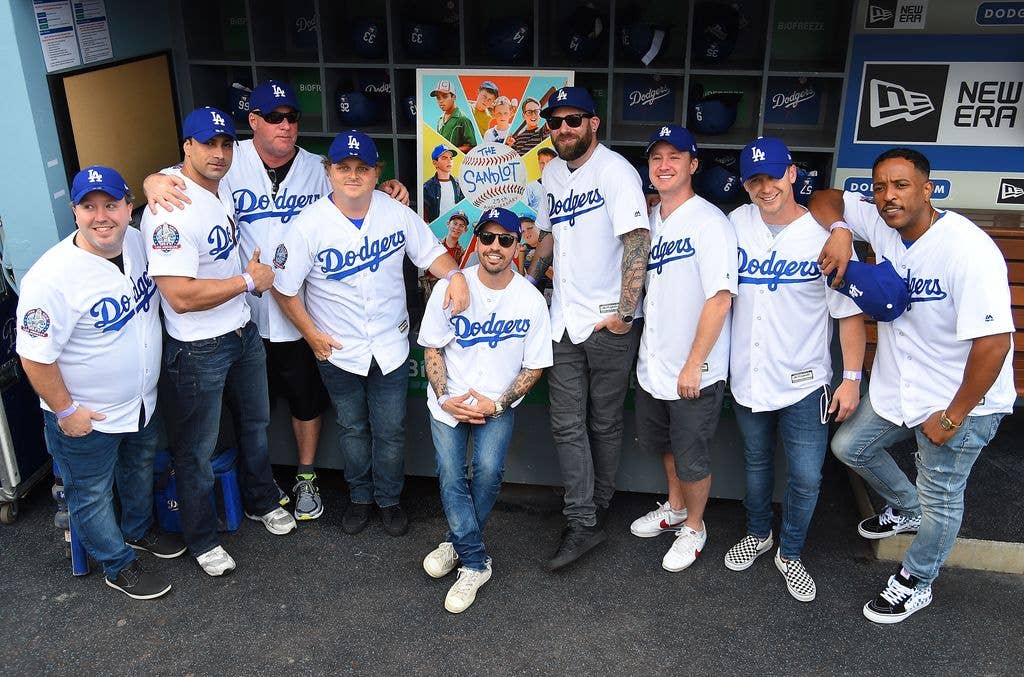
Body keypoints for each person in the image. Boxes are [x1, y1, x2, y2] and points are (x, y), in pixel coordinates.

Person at [143, 80, 410, 522]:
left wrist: (390, 188)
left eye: (292, 117)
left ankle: (305, 478)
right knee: (249, 414)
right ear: (254, 121)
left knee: (304, 401)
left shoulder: (315, 167)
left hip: (296, 310)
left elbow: (357, 191)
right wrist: (151, 180)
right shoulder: (227, 161)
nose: (285, 126)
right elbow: (172, 177)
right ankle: (255, 492)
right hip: (240, 313)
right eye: (273, 117)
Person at [811, 147, 1014, 623]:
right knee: (850, 446)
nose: (888, 196)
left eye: (901, 185)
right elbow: (824, 197)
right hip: (902, 387)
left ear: (928, 189)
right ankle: (905, 507)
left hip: (962, 399)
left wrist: (952, 417)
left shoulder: (968, 248)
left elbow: (994, 344)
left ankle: (916, 579)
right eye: (880, 187)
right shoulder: (883, 222)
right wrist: (842, 232)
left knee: (941, 496)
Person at [271, 130, 470, 538]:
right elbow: (283, 288)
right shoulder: (308, 225)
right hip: (338, 349)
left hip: (390, 345)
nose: (353, 175)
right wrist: (311, 335)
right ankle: (360, 497)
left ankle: (389, 499)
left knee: (391, 429)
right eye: (343, 167)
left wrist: (455, 275)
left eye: (363, 168)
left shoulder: (396, 213)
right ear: (329, 172)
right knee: (352, 429)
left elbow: (431, 254)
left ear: (377, 172)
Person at [142, 107, 297, 578]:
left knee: (255, 423)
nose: (219, 153)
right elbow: (180, 296)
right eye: (207, 144)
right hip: (197, 348)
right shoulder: (168, 208)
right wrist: (249, 282)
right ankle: (202, 538)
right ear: (186, 146)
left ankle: (260, 500)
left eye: (226, 144)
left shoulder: (216, 184)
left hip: (240, 332)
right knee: (197, 450)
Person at [17, 166, 181, 600]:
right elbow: (34, 357)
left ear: (129, 207)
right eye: (89, 207)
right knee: (89, 494)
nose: (101, 216)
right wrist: (68, 412)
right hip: (86, 414)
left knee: (138, 470)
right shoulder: (50, 277)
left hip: (141, 401)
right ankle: (116, 564)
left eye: (111, 204)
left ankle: (137, 531)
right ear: (75, 212)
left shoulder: (138, 241)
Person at [721, 136, 865, 602]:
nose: (766, 188)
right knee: (757, 464)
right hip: (747, 374)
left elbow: (848, 315)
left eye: (773, 176)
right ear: (745, 185)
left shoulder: (824, 236)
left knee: (806, 475)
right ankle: (759, 533)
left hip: (806, 381)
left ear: (793, 174)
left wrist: (851, 379)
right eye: (754, 179)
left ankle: (793, 551)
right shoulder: (734, 224)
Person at [527, 87, 651, 570]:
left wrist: (624, 312)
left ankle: (595, 508)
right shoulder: (553, 173)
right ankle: (582, 519)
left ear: (593, 124)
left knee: (603, 422)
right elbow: (550, 238)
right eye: (555, 123)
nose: (563, 130)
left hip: (607, 323)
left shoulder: (615, 170)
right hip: (563, 320)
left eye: (573, 120)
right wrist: (529, 287)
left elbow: (637, 239)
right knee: (565, 423)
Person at [419, 207, 552, 613]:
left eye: (506, 239)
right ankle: (476, 562)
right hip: (450, 400)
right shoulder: (452, 288)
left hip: (497, 401)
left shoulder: (529, 298)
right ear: (477, 240)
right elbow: (432, 347)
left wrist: (499, 402)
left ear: (517, 245)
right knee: (450, 475)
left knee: (490, 474)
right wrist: (445, 397)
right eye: (488, 238)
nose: (495, 246)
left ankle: (455, 542)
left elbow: (535, 365)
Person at [627, 126, 737, 574]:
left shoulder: (710, 222)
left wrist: (694, 365)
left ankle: (694, 525)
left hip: (694, 368)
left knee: (692, 455)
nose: (665, 165)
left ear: (694, 165)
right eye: (657, 158)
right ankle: (674, 508)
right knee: (666, 445)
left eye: (676, 157)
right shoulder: (651, 218)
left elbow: (720, 298)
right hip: (654, 361)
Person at [420, 211, 469, 302]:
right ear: (448, 224)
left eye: (461, 225)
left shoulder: (463, 253)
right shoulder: (435, 245)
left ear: (465, 230)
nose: (457, 227)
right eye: (455, 223)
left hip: (448, 292)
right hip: (430, 292)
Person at [422, 144, 465, 223]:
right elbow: (424, 214)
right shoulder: (427, 187)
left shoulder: (459, 184)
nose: (449, 161)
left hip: (456, 227)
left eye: (451, 158)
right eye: (444, 158)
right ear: (435, 163)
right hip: (437, 229)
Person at [432, 80, 477, 153]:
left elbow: (472, 146)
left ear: (454, 97)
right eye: (438, 98)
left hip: (458, 161)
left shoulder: (462, 119)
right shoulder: (440, 119)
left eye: (445, 96)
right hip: (444, 162)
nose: (441, 101)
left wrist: (451, 151)